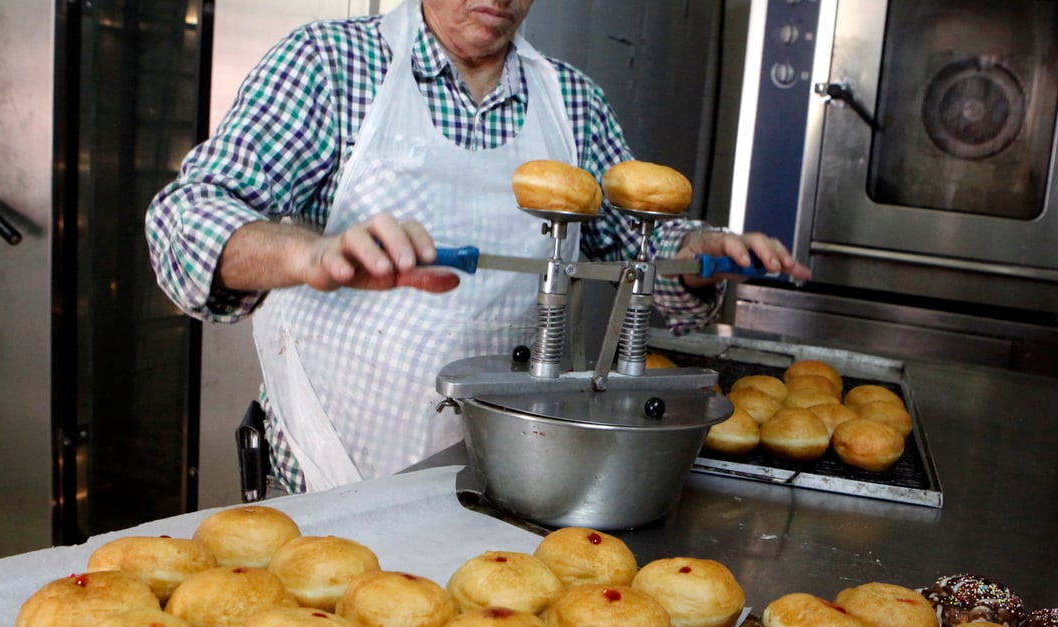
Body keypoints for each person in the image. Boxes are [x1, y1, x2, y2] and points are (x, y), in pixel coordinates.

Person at [147, 0, 809, 495]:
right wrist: (308, 254)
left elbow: (635, 245)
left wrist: (699, 252)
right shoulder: (331, 64)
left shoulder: (571, 101)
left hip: (513, 483)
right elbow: (188, 215)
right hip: (324, 481)